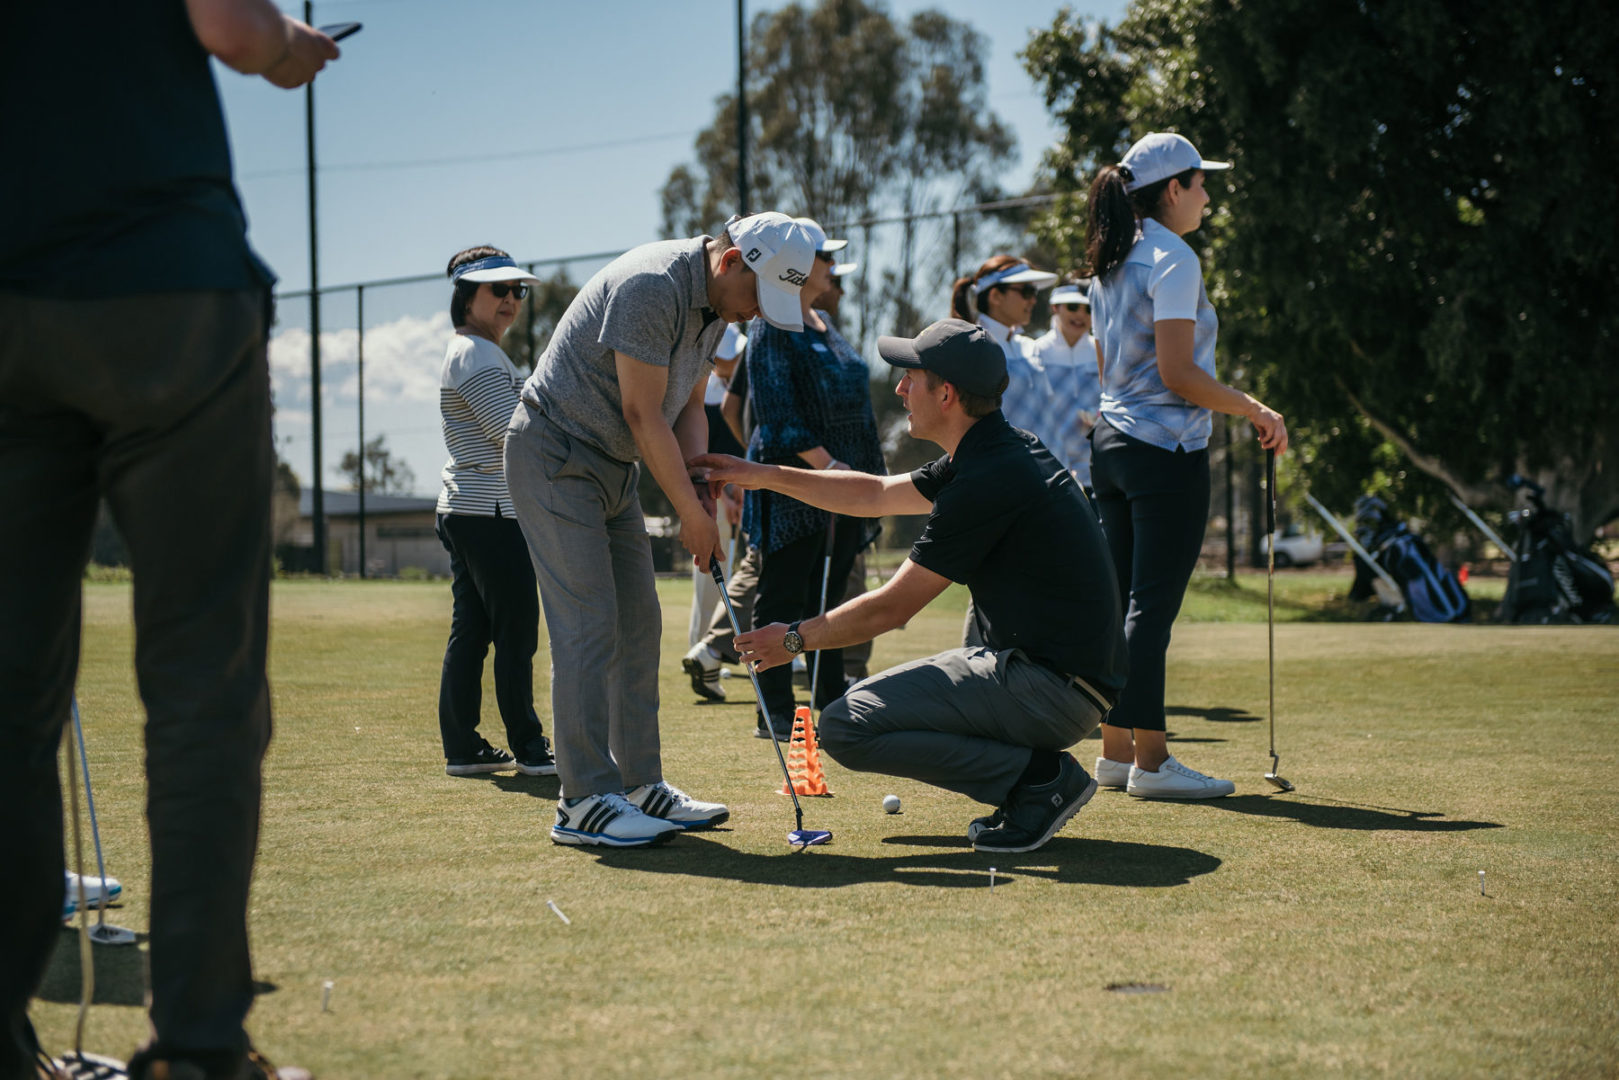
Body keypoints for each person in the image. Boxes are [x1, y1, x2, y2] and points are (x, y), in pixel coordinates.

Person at [0, 2, 338, 1078]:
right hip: (165, 283)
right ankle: (195, 1049)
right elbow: (233, 29)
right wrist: (294, 48)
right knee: (203, 688)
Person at [694, 319, 1126, 854]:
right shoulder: (996, 450)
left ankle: (1037, 780)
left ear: (946, 394)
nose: (899, 388)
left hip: (1052, 691)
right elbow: (874, 494)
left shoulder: (986, 478)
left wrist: (792, 639)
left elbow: (891, 609)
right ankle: (1034, 776)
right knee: (865, 710)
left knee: (846, 726)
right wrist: (759, 474)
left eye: (911, 377)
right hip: (1065, 681)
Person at [505, 211, 815, 848]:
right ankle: (583, 801)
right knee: (589, 621)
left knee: (639, 620)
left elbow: (688, 408)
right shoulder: (653, 286)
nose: (758, 312)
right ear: (732, 261)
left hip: (612, 463)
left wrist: (700, 481)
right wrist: (693, 517)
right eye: (759, 294)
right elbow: (642, 413)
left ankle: (640, 783)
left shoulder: (717, 307)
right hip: (555, 451)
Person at [1086, 131, 1289, 799]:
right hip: (1164, 452)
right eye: (1200, 184)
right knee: (1149, 611)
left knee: (1121, 604)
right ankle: (1152, 764)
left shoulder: (1111, 258)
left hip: (1112, 445)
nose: (1207, 196)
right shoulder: (1172, 257)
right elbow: (1178, 374)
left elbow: (1107, 371)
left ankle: (1115, 754)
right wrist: (1254, 408)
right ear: (1172, 189)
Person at [737, 218, 886, 740]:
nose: (832, 267)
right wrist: (828, 468)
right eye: (826, 257)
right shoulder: (769, 326)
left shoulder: (824, 322)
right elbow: (776, 413)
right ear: (799, 267)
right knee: (783, 593)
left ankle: (829, 699)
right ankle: (774, 709)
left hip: (844, 487)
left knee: (834, 597)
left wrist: (855, 477)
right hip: (794, 486)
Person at [434, 248, 556, 777]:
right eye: (498, 289)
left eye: (518, 290)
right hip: (491, 513)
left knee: (474, 630)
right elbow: (513, 435)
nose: (511, 299)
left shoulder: (477, 351)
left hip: (474, 508)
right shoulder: (476, 353)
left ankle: (463, 747)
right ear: (467, 297)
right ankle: (529, 746)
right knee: (516, 632)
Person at [683, 322, 748, 701]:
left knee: (726, 572)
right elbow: (701, 454)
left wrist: (737, 490)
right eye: (729, 355)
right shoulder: (705, 393)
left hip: (731, 491)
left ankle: (709, 648)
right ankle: (703, 646)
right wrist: (727, 494)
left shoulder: (731, 387)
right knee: (709, 572)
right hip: (708, 494)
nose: (736, 360)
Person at [948, 254, 1059, 449]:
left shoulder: (1029, 346)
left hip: (1048, 463)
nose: (1033, 300)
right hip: (1001, 464)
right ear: (995, 296)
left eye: (1034, 292)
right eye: (1026, 291)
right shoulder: (972, 348)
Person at [1029, 276, 1101, 493]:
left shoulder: (1101, 351)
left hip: (1097, 471)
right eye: (1072, 307)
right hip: (1048, 471)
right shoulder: (1035, 352)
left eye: (1088, 309)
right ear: (1055, 307)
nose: (1081, 315)